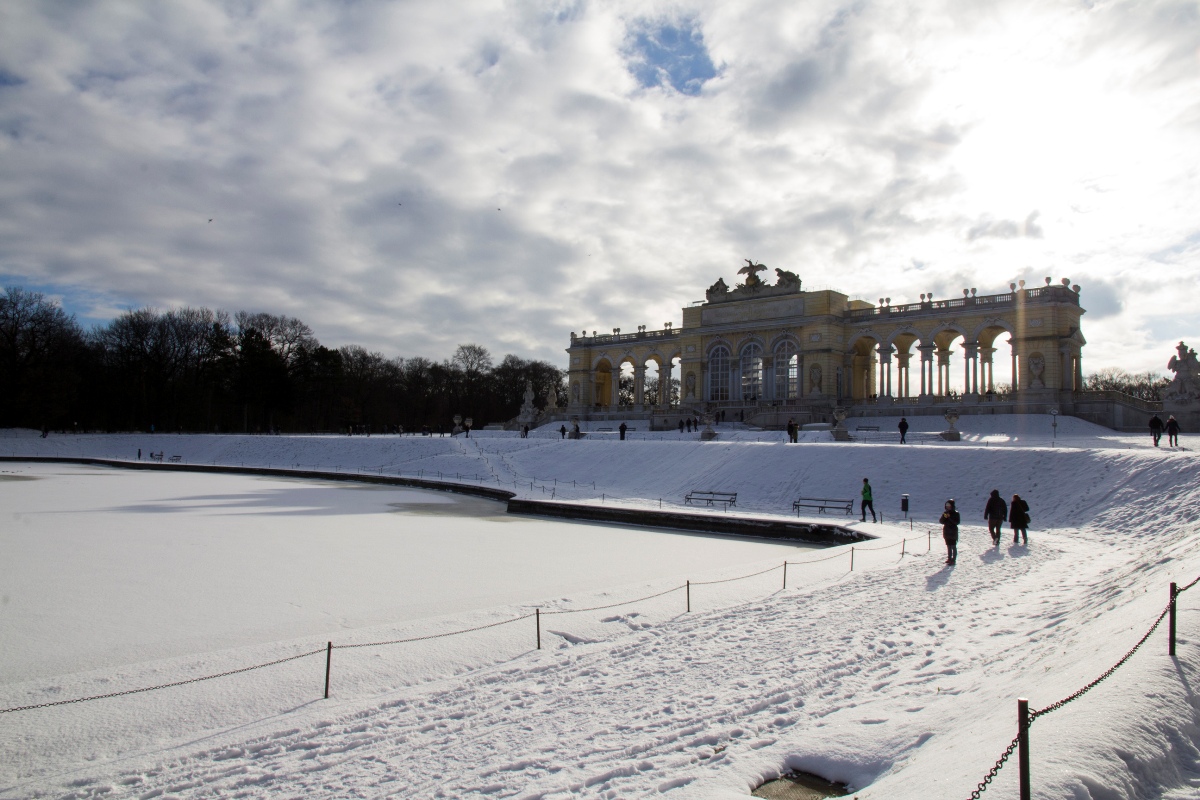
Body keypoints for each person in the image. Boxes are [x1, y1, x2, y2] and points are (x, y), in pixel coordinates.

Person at [940, 499, 960, 564]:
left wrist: (949, 517)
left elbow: (957, 522)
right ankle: (949, 558)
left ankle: (953, 559)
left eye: (949, 506)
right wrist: (945, 517)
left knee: (953, 546)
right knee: (948, 546)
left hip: (953, 532)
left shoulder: (956, 513)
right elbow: (941, 521)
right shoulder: (945, 513)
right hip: (947, 532)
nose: (948, 507)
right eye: (947, 506)